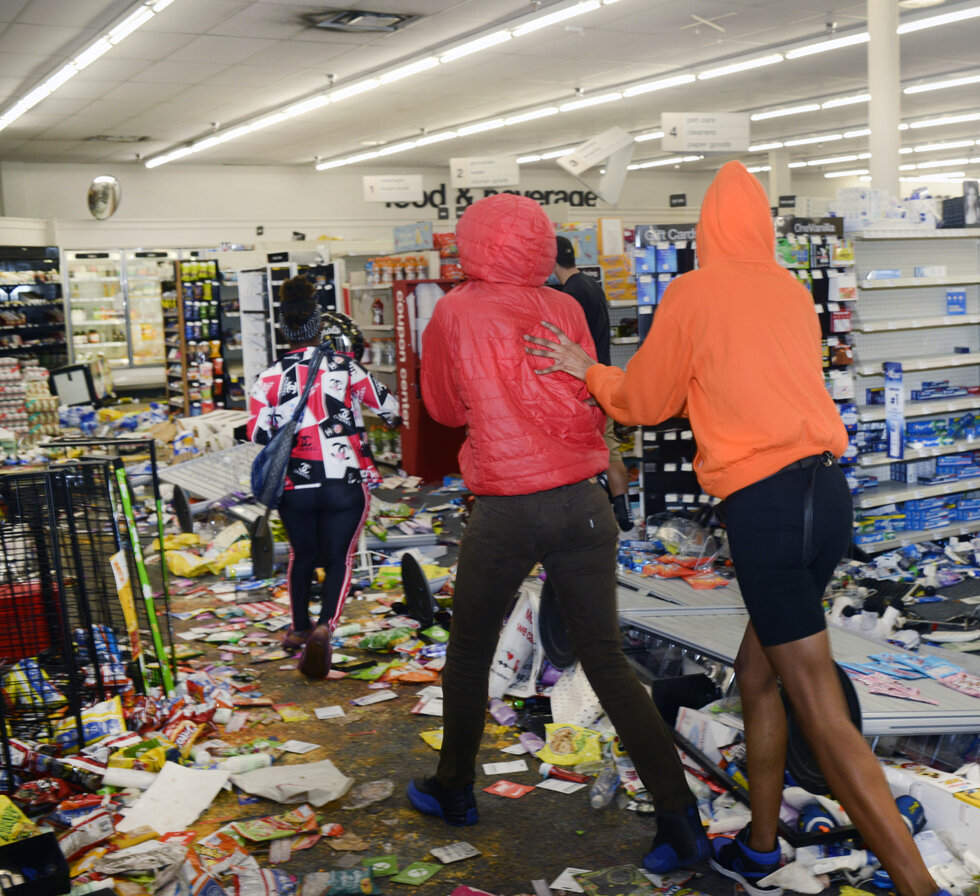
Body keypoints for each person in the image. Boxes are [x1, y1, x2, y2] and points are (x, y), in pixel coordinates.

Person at [524, 161, 949, 896]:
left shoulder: (693, 292)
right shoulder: (789, 290)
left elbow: (645, 402)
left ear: (708, 228)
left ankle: (920, 887)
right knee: (758, 674)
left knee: (818, 706)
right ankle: (760, 846)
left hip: (767, 508)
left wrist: (586, 369)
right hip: (826, 495)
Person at [409, 193, 708, 874]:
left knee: (469, 652)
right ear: (543, 243)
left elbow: (444, 408)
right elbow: (590, 388)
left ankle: (454, 787)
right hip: (584, 501)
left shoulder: (455, 310)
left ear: (472, 243)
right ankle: (681, 817)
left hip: (508, 506)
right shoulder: (567, 305)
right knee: (605, 659)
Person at [247, 276, 400, 679]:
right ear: (319, 327)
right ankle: (324, 627)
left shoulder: (267, 378)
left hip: (295, 485)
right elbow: (390, 407)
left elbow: (257, 434)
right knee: (339, 558)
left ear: (284, 330)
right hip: (344, 481)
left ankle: (298, 627)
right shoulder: (346, 367)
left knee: (302, 555)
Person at [551, 235, 633, 533]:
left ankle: (592, 519)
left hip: (584, 383)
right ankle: (624, 516)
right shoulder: (590, 285)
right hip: (604, 376)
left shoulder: (570, 294)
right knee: (611, 448)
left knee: (583, 454)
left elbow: (568, 343)